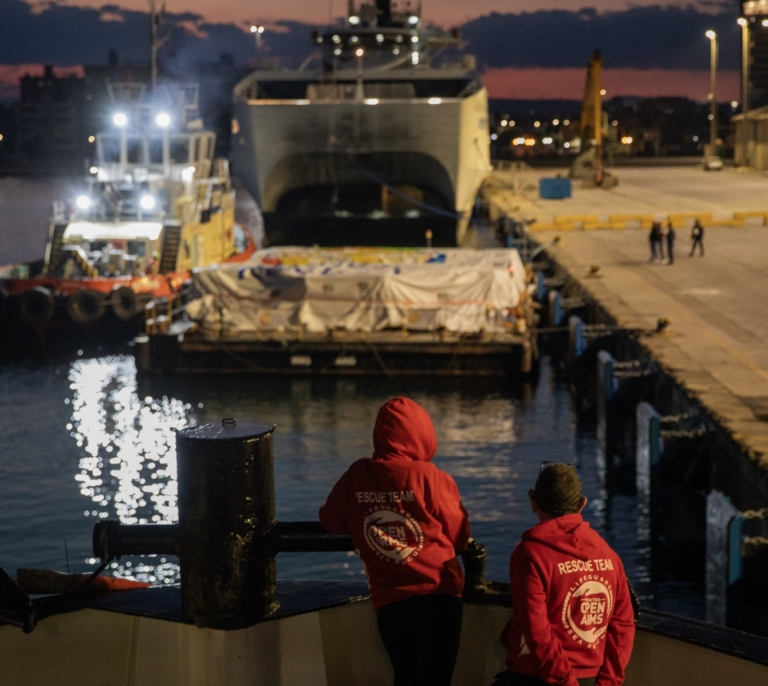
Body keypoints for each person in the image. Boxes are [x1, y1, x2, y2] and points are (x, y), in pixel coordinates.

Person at [319, 397, 471, 686]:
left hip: (390, 604)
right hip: (439, 599)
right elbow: (460, 537)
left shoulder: (356, 476)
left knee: (405, 678)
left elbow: (330, 520)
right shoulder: (433, 479)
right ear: (423, 434)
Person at [492, 462, 635, 686]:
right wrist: (608, 681)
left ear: (533, 500)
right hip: (591, 678)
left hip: (538, 676)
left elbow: (536, 629)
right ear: (581, 504)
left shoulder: (529, 554)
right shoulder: (610, 557)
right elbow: (623, 625)